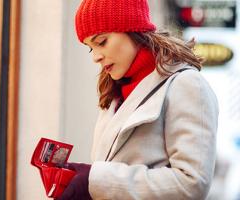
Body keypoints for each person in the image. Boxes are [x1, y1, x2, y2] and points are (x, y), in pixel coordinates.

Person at [57, 0, 219, 199]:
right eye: (90, 48)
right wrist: (82, 180)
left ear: (133, 29)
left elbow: (192, 184)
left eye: (101, 42)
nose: (95, 57)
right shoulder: (115, 93)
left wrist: (96, 180)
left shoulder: (187, 85)